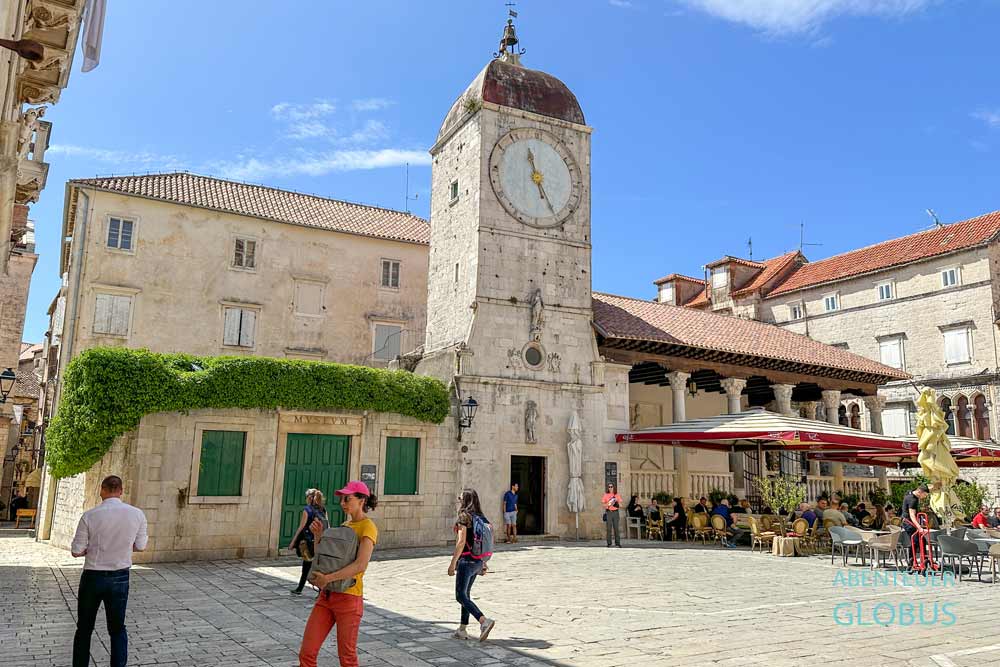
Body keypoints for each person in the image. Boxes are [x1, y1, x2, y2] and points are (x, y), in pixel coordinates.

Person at [298, 481, 378, 667]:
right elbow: (323, 557)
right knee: (307, 653)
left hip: (349, 599)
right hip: (326, 597)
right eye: (342, 499)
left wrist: (328, 579)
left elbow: (360, 565)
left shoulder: (368, 528)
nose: (342, 503)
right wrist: (318, 537)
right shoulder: (345, 525)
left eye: (347, 499)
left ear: (361, 500)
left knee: (347, 658)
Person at [71, 475, 148, 667]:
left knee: (84, 628)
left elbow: (76, 551)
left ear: (101, 491)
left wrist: (90, 549)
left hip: (93, 576)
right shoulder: (137, 514)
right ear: (121, 491)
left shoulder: (89, 516)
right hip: (120, 575)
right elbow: (141, 546)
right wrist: (122, 545)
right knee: (117, 628)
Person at [448, 488, 496, 642]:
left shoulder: (464, 517)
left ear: (465, 500)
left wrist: (452, 563)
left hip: (467, 561)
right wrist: (483, 563)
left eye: (460, 498)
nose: (458, 500)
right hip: (477, 561)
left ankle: (483, 621)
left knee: (460, 595)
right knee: (466, 595)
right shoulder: (481, 517)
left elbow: (461, 542)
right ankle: (462, 629)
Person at [289, 489, 329, 595]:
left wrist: (293, 542)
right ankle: (321, 591)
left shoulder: (307, 510)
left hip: (308, 543)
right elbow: (327, 526)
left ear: (309, 498)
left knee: (306, 566)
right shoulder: (323, 510)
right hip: (319, 541)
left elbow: (301, 527)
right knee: (318, 566)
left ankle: (299, 588)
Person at [901, 484, 930, 573]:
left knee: (916, 541)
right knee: (919, 541)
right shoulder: (913, 500)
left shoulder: (909, 493)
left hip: (906, 521)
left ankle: (912, 561)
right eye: (924, 495)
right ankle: (920, 561)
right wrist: (919, 527)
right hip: (909, 522)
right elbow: (912, 515)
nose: (924, 497)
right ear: (920, 492)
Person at [602, 483, 623, 547]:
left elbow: (621, 505)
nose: (610, 488)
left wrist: (616, 501)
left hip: (616, 512)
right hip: (609, 512)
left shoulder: (617, 495)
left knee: (616, 528)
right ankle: (609, 543)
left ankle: (618, 543)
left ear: (614, 487)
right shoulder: (605, 495)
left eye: (611, 487)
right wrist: (608, 504)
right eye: (609, 487)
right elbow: (603, 505)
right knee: (608, 528)